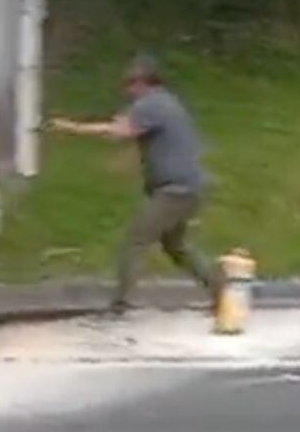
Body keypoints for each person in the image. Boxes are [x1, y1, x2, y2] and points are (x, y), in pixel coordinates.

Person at [48, 54, 222, 316]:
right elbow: (139, 135)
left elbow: (120, 132)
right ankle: (222, 292)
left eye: (130, 83)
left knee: (135, 241)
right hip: (188, 187)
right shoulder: (165, 101)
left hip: (175, 190)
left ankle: (120, 305)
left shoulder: (151, 105)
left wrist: (71, 127)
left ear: (142, 82)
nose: (127, 90)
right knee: (176, 246)